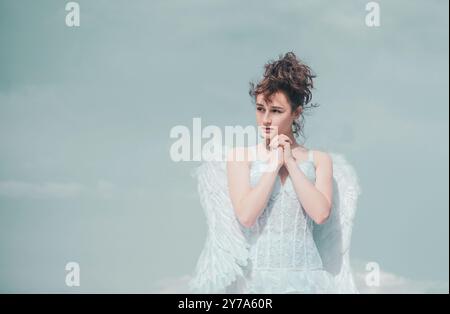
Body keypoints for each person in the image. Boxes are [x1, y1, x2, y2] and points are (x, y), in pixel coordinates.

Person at [188, 52, 361, 294]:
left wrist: (290, 162)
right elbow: (246, 215)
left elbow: (321, 214)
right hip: (256, 282)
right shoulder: (240, 157)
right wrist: (273, 165)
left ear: (297, 113)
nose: (265, 120)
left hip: (308, 279)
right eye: (260, 109)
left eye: (277, 111)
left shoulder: (319, 160)